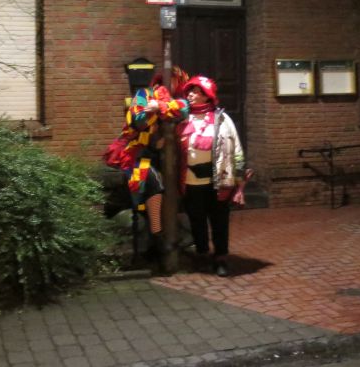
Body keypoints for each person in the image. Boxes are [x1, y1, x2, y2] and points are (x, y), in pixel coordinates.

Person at [106, 68, 189, 259]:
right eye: (169, 80)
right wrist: (157, 111)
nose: (171, 85)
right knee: (150, 183)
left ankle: (159, 239)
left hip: (164, 159)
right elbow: (137, 119)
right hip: (136, 154)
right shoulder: (143, 95)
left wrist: (159, 106)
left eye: (175, 81)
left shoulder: (178, 100)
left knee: (167, 193)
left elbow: (183, 109)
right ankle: (156, 236)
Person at [177, 75, 252, 277]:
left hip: (218, 181)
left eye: (195, 92)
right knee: (197, 220)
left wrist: (239, 183)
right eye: (189, 91)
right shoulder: (181, 118)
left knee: (220, 221)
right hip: (191, 180)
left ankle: (221, 258)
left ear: (207, 95)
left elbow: (236, 150)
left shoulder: (223, 120)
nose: (190, 95)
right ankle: (202, 254)